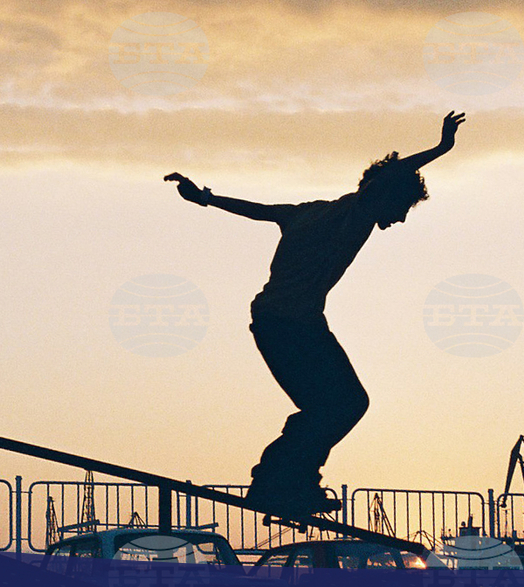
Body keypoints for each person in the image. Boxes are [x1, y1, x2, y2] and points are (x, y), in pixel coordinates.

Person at [164, 112, 466, 516]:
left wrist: (205, 198)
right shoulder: (357, 212)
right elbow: (389, 177)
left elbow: (257, 210)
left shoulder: (303, 212)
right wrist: (441, 148)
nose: (401, 218)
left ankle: (282, 482)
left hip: (273, 324)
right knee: (347, 404)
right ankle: (284, 483)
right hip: (294, 326)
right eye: (403, 207)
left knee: (326, 408)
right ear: (385, 196)